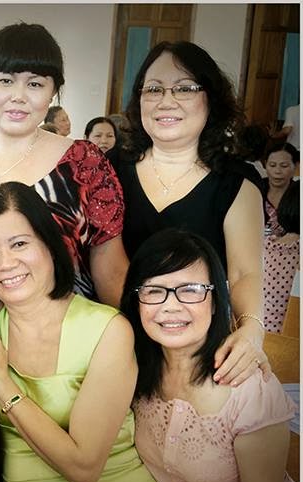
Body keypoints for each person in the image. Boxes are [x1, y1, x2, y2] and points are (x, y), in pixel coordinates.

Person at [0, 183, 177, 482]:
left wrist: (0, 383)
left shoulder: (107, 328)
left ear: (50, 244)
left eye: (20, 244)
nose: (5, 262)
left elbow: (84, 468)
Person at [122, 228, 299, 482]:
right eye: (154, 290)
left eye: (190, 290)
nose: (170, 306)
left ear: (216, 300)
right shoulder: (133, 377)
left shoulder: (248, 386)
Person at [0, 23, 129, 307]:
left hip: (63, 328)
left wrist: (122, 332)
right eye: (5, 81)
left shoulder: (85, 165)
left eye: (35, 84)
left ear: (53, 92)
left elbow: (111, 270)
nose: (19, 96)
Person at [112, 41, 269, 385]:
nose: (166, 101)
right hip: (115, 341)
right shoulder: (110, 169)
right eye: (154, 89)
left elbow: (244, 272)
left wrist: (252, 329)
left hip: (194, 349)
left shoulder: (235, 182)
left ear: (210, 99)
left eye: (184, 88)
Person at [261, 143, 300, 332]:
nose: (277, 171)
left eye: (284, 166)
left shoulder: (296, 193)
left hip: (264, 321)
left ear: (296, 166)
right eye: (272, 165)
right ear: (265, 165)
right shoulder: (254, 190)